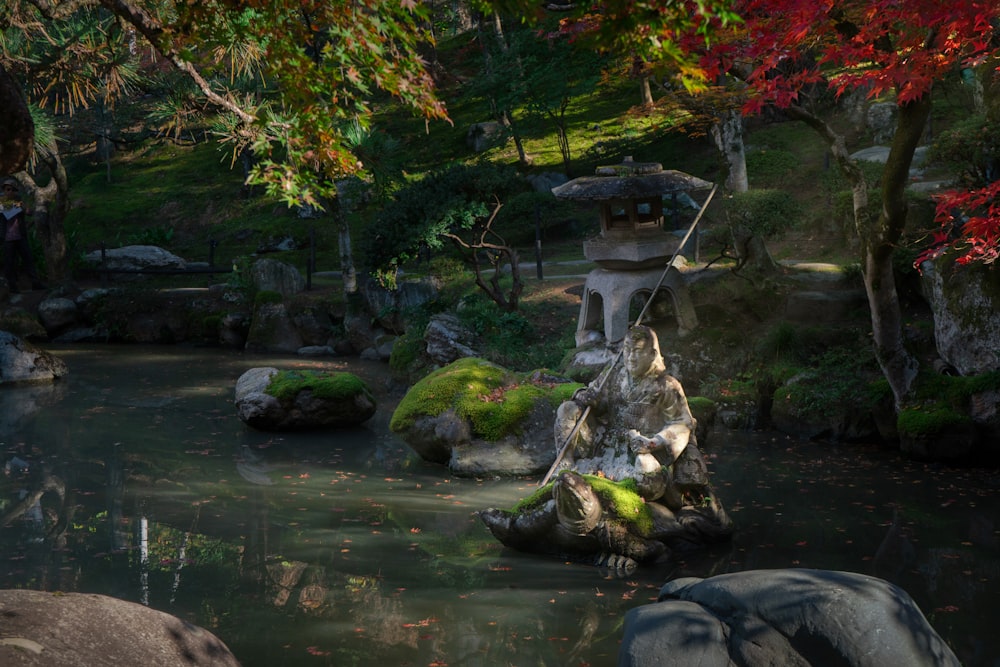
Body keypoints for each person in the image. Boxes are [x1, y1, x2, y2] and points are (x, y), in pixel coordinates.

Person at [553, 324, 707, 504]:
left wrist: (655, 441)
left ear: (652, 354)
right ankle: (565, 464)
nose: (631, 358)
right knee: (567, 409)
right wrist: (585, 397)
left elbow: (682, 423)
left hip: (642, 450)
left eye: (638, 351)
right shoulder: (613, 374)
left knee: (646, 472)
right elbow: (596, 399)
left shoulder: (665, 385)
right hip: (606, 444)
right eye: (628, 350)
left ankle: (627, 491)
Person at [1, 177, 44, 293]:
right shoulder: (1, 203)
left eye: (11, 189)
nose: (9, 192)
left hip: (20, 236)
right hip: (8, 238)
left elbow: (29, 212)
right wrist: (18, 206)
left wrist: (24, 207)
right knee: (9, 262)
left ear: (15, 191)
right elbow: (7, 213)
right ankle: (12, 286)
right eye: (7, 189)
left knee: (28, 259)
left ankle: (36, 283)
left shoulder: (19, 201)